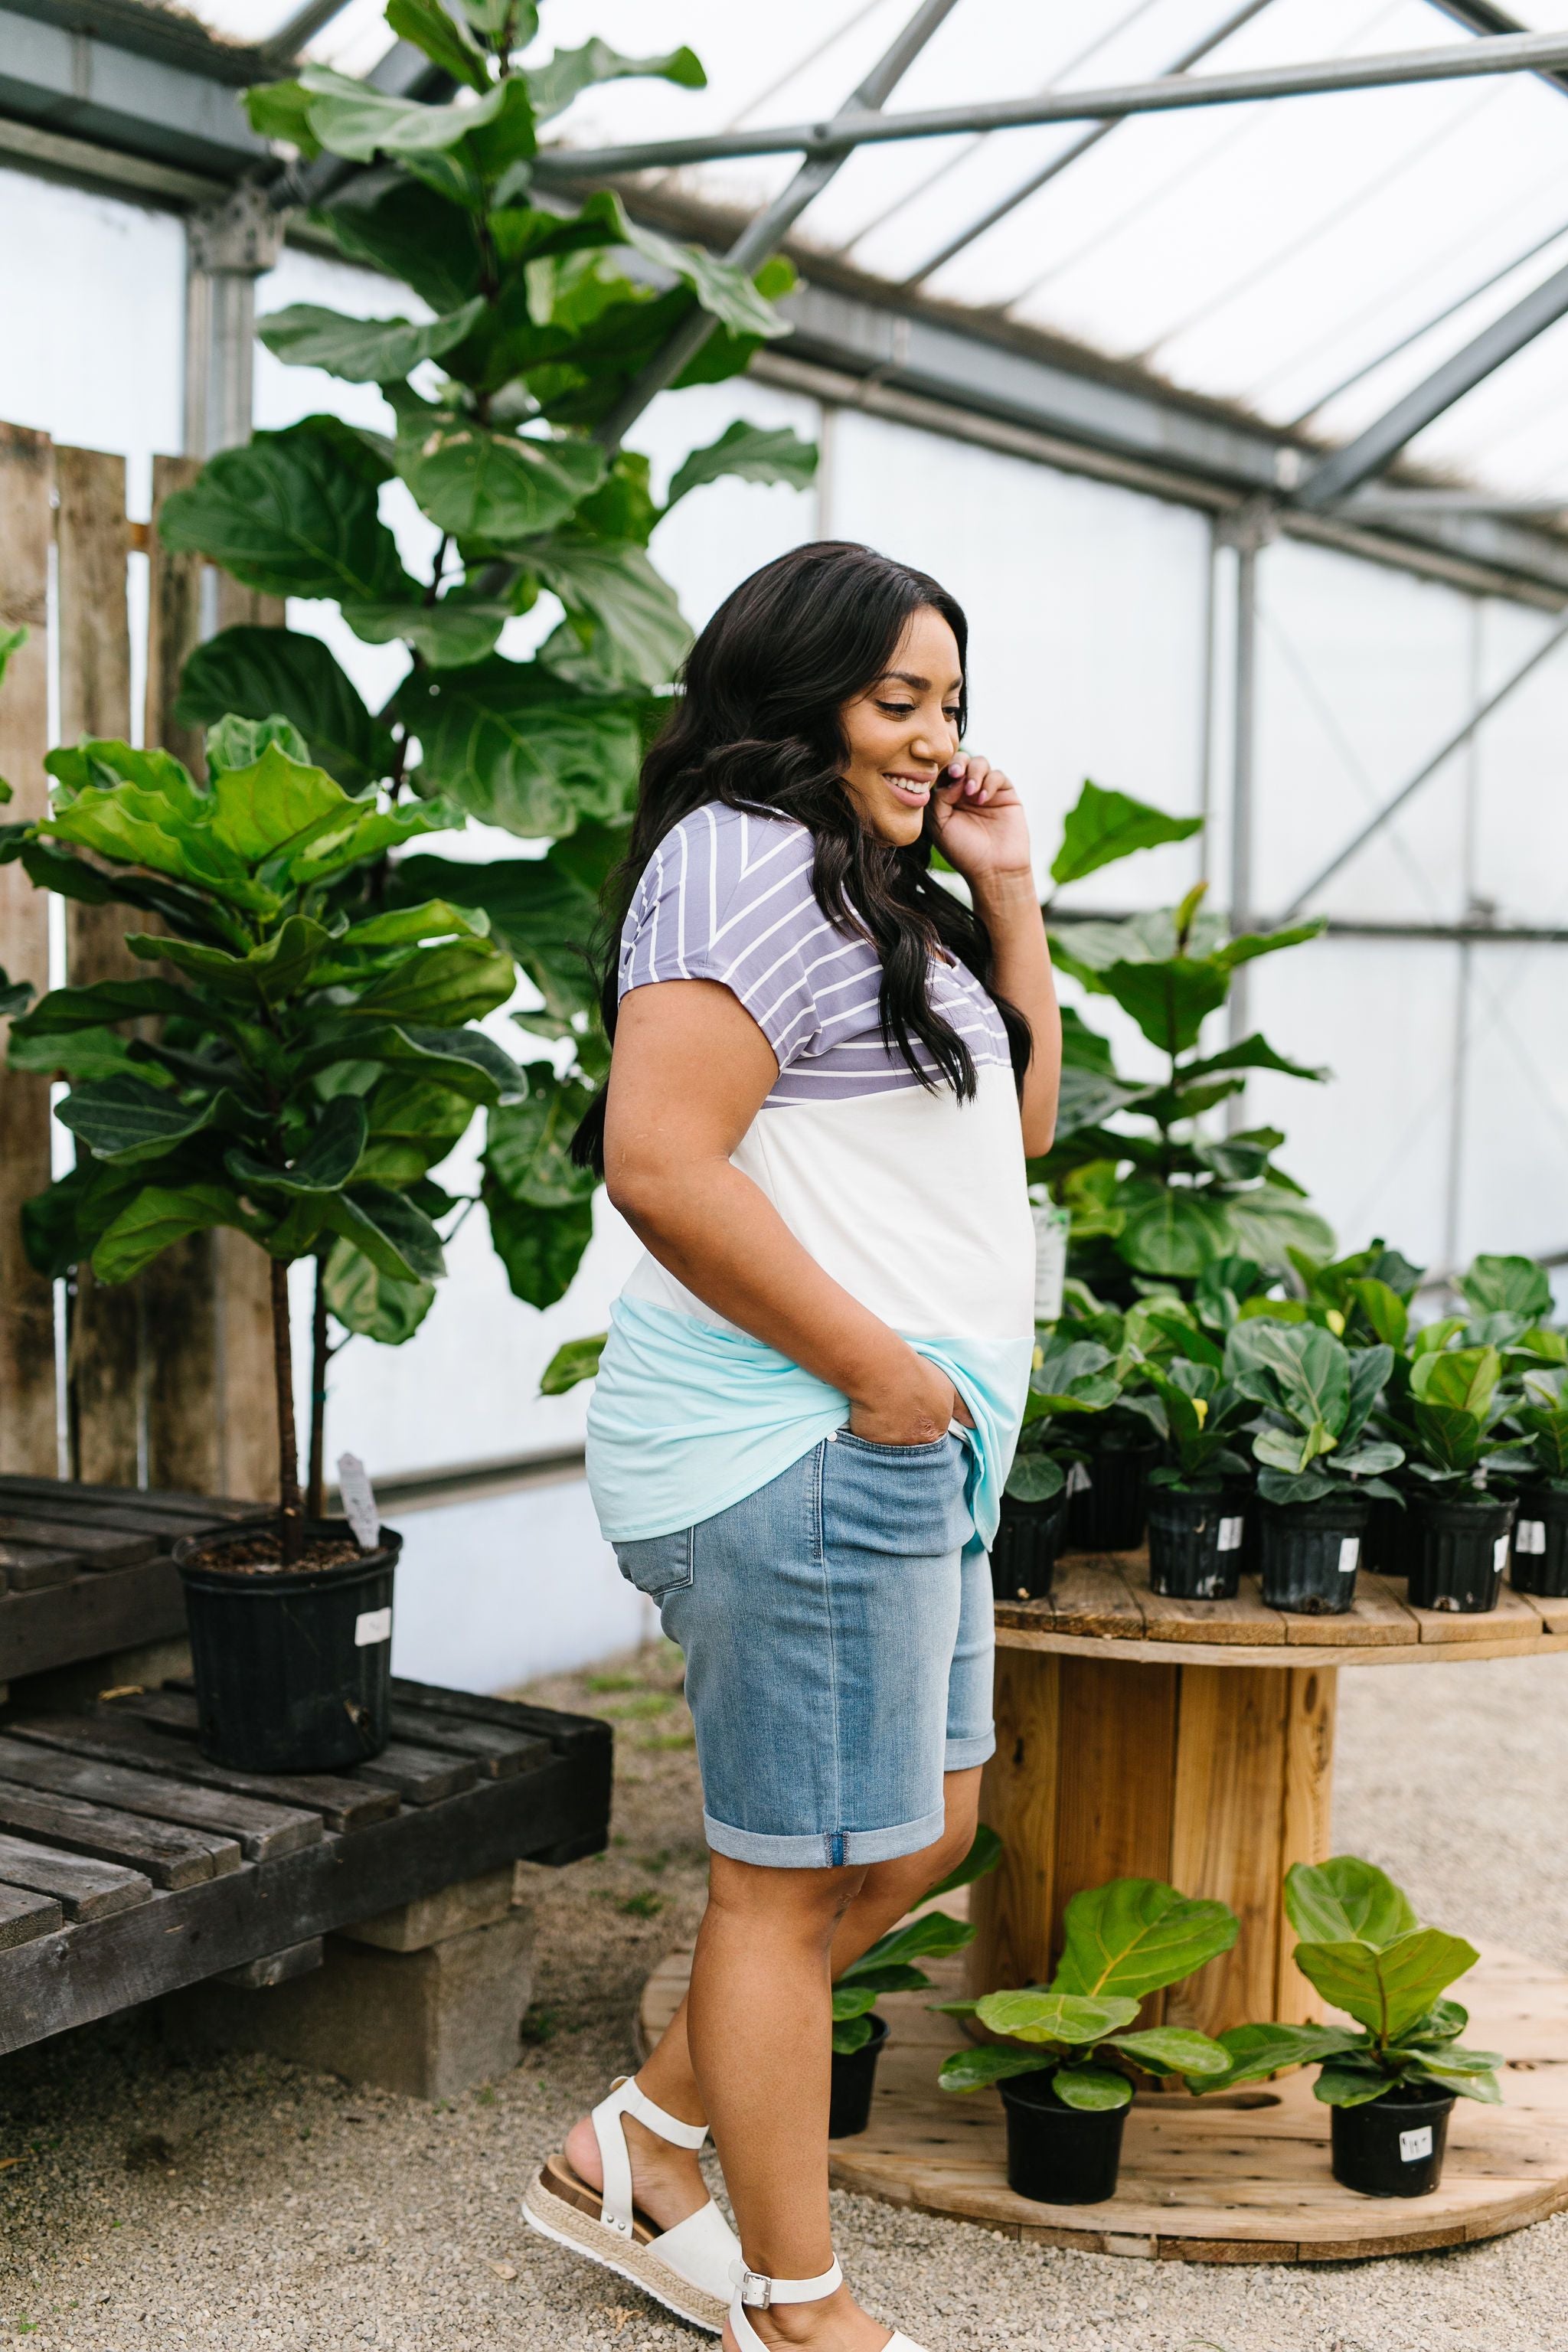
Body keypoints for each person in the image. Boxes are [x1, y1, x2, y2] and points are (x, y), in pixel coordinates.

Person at [524, 541, 1060, 2352]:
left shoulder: (882, 892)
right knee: (786, 1877)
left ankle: (643, 2138)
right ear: (792, 690)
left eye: (951, 706)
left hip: (908, 1446)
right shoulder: (740, 866)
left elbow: (1017, 1132)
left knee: (921, 1833)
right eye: (895, 700)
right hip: (810, 1436)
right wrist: (879, 1379)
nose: (932, 738)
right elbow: (658, 1161)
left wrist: (1006, 895)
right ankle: (792, 2302)